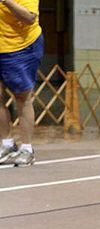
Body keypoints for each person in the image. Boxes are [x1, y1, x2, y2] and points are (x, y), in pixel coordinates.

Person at [0, 0, 44, 166]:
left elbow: (29, 17)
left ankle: (27, 149)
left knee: (22, 98)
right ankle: (6, 145)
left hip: (21, 47)